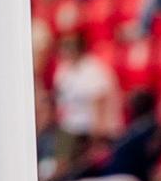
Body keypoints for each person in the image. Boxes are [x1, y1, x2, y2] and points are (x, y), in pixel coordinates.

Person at [50, 32, 122, 160]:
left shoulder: (94, 71)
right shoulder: (64, 69)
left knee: (64, 159)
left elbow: (100, 109)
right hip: (71, 127)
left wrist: (96, 141)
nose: (64, 50)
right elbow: (59, 99)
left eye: (68, 46)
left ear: (80, 48)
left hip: (92, 131)